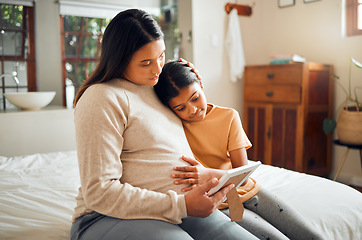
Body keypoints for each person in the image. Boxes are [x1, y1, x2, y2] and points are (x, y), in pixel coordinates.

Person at [70, 9, 259, 240]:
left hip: (179, 209)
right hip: (106, 217)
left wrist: (186, 77)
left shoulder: (157, 89)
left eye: (161, 56)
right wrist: (181, 205)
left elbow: (191, 109)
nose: (158, 68)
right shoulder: (102, 97)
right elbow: (99, 192)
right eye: (146, 62)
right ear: (119, 60)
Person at [154, 60, 326, 240]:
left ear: (200, 82)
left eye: (195, 98)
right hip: (221, 201)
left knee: (309, 234)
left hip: (246, 188)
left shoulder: (228, 117)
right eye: (181, 108)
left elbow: (242, 176)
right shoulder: (174, 126)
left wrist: (207, 173)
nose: (193, 110)